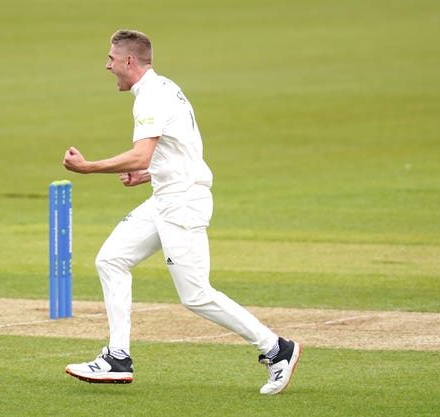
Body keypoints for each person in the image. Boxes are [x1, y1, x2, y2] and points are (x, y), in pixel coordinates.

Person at [62, 29, 300, 395]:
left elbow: (142, 152)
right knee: (110, 259)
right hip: (167, 196)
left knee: (196, 295)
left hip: (182, 203)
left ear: (129, 61)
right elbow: (177, 150)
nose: (106, 65)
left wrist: (89, 167)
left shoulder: (151, 97)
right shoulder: (162, 87)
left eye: (111, 59)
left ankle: (276, 348)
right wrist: (149, 173)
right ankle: (117, 357)